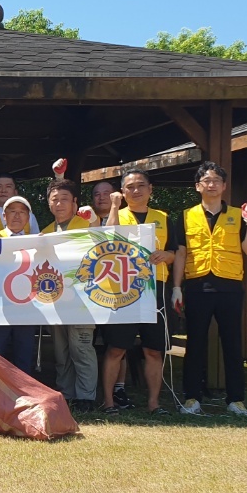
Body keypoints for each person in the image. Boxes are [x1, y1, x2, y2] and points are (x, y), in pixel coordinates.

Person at [172, 160, 247, 417]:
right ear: (197, 186)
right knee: (195, 344)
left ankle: (236, 400)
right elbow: (180, 253)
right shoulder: (186, 216)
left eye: (216, 181)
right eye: (206, 181)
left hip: (230, 286)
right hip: (197, 285)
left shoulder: (238, 215)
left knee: (232, 344)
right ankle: (191, 398)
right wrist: (176, 287)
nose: (212, 185)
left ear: (224, 186)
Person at [100, 168, 179, 415]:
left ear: (150, 189)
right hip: (123, 288)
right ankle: (108, 402)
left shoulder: (163, 217)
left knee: (154, 349)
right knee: (116, 348)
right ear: (122, 192)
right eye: (130, 187)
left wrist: (166, 255)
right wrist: (114, 206)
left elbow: (174, 252)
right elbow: (108, 239)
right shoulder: (118, 215)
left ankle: (154, 403)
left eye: (141, 185)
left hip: (156, 288)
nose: (136, 190)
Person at [44, 178, 97, 410]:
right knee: (61, 352)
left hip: (83, 300)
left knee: (81, 349)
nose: (59, 203)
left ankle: (86, 397)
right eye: (54, 199)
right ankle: (66, 394)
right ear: (48, 203)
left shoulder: (88, 223)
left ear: (75, 202)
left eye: (65, 199)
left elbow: (104, 241)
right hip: (55, 300)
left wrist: (94, 220)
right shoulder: (45, 232)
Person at [0, 196, 38, 374]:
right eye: (12, 211)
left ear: (28, 217)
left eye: (22, 212)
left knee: (24, 352)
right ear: (4, 216)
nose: (17, 215)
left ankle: (23, 389)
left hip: (27, 306)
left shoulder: (36, 241)